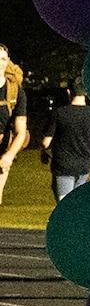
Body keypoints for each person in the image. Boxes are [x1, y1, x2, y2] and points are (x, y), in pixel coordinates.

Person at [40, 86, 90, 200]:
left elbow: (45, 142)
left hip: (63, 166)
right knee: (76, 202)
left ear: (68, 92)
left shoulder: (59, 113)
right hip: (84, 165)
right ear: (86, 93)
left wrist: (43, 151)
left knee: (64, 203)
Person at [0, 46, 27, 206]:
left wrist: (9, 155)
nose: (0, 63)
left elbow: (21, 132)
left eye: (3, 59)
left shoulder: (15, 92)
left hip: (2, 155)